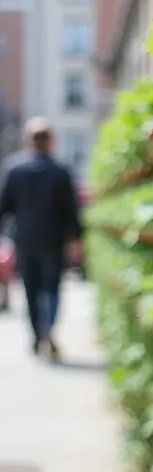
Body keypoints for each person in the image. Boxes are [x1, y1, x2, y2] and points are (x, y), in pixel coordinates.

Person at [0, 118, 82, 357]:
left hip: (24, 238)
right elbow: (71, 210)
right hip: (53, 239)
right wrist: (75, 239)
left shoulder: (14, 169)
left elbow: (4, 206)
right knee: (52, 286)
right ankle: (48, 327)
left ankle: (37, 335)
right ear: (50, 142)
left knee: (31, 289)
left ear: (28, 140)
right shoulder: (60, 171)